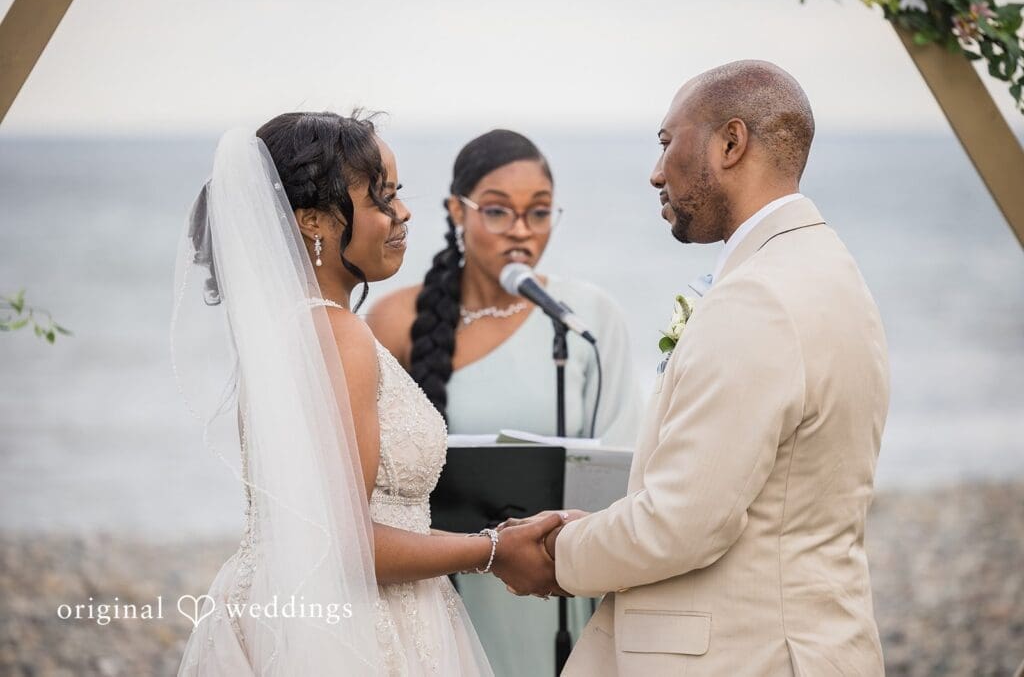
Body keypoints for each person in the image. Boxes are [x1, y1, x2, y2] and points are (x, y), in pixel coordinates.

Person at [496, 60, 891, 676]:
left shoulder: (758, 297)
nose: (656, 172)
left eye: (666, 143)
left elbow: (682, 524)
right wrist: (603, 524)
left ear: (730, 143)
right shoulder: (829, 268)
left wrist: (556, 554)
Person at [173, 112, 564, 676]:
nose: (402, 212)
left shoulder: (296, 331)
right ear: (313, 222)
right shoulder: (337, 334)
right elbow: (345, 543)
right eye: (381, 199)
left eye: (396, 194)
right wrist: (493, 549)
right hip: (354, 627)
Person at [368, 129, 642, 676]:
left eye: (538, 214)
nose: (521, 231)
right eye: (498, 212)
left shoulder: (585, 317)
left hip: (564, 581)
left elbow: (624, 455)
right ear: (456, 211)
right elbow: (375, 475)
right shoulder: (394, 319)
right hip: (447, 582)